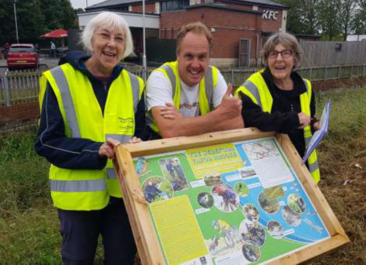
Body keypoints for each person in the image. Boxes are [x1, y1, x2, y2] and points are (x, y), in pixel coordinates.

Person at [35, 11, 146, 264]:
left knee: (121, 260)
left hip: (122, 196)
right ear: (90, 39)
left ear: (125, 47)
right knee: (77, 260)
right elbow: (46, 141)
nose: (111, 44)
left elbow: (141, 133)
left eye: (119, 39)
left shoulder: (135, 85)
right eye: (104, 36)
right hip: (78, 200)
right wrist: (94, 151)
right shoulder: (59, 80)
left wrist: (140, 145)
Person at [235, 32, 322, 183]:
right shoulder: (253, 86)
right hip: (269, 169)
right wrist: (292, 119)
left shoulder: (305, 86)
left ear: (295, 58)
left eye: (286, 53)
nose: (279, 59)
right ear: (266, 59)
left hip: (302, 168)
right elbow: (249, 118)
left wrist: (314, 123)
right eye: (273, 54)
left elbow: (307, 115)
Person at [145, 22, 243, 139]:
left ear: (208, 58)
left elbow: (236, 125)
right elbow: (170, 131)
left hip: (197, 150)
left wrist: (182, 122)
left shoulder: (214, 76)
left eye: (202, 57)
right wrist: (220, 115)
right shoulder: (161, 77)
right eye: (189, 56)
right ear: (178, 55)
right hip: (160, 147)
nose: (196, 65)